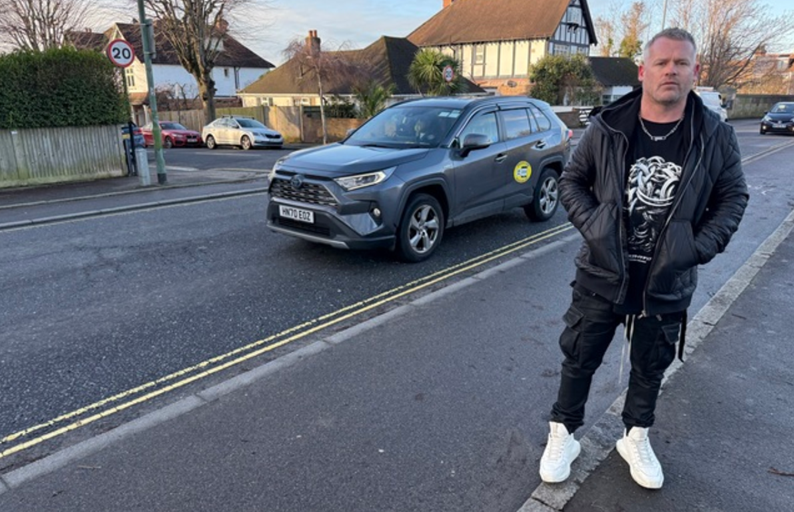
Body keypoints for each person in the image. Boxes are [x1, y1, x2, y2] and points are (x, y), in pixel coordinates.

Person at [538, 28, 748, 490]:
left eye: (681, 63)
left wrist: (696, 248)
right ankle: (564, 433)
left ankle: (635, 435)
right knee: (579, 357)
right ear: (643, 71)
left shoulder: (714, 136)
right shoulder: (608, 126)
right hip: (602, 272)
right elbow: (572, 181)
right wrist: (594, 228)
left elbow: (733, 198)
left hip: (666, 281)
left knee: (650, 365)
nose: (671, 70)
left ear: (696, 71)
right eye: (662, 62)